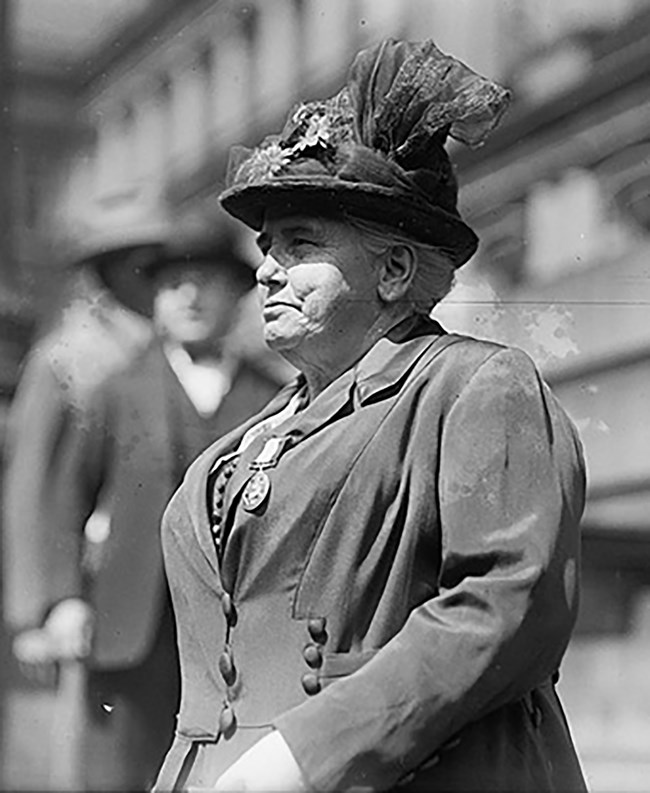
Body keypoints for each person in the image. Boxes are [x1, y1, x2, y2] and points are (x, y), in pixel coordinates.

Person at [154, 39, 588, 792]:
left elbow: (506, 604)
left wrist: (303, 755)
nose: (265, 267)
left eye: (300, 243)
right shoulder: (255, 432)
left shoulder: (476, 387)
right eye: (266, 245)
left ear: (392, 271)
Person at [3, 219, 282, 791]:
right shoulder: (118, 391)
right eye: (175, 284)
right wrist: (62, 601)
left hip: (240, 630)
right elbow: (63, 497)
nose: (191, 297)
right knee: (122, 770)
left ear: (237, 297)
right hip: (133, 625)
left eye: (207, 282)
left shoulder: (274, 395)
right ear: (154, 298)